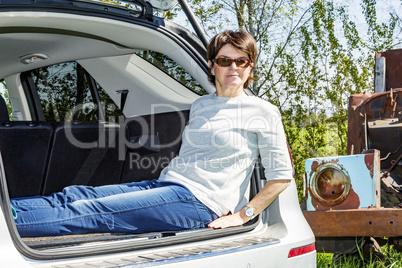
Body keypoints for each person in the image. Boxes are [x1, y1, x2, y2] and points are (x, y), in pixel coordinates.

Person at [11, 30, 292, 237]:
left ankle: (6, 227)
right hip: (169, 185)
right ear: (212, 65)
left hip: (201, 203)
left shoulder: (263, 111)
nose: (233, 67)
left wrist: (244, 215)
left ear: (250, 66)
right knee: (76, 195)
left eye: (241, 61)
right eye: (224, 60)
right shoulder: (201, 105)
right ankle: (5, 210)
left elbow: (281, 175)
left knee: (90, 211)